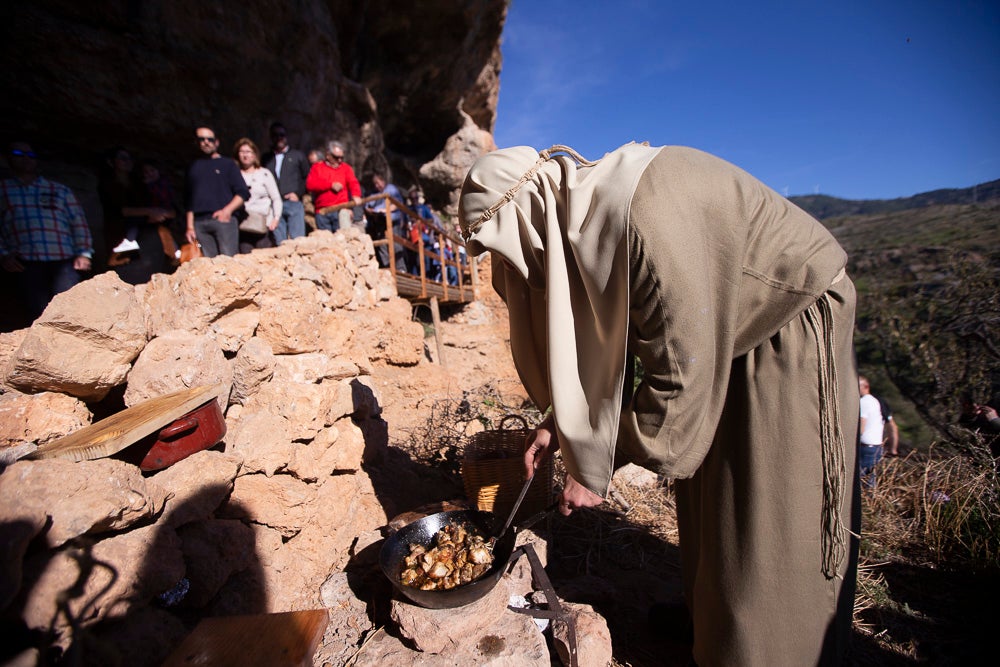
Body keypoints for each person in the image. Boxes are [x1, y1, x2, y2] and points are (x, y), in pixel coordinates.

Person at [459, 143, 859, 666]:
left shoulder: (644, 217)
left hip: (788, 321)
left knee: (770, 508)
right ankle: (713, 620)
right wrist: (561, 427)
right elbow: (615, 345)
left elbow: (678, 382)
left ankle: (768, 650)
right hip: (720, 335)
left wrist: (598, 464)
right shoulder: (589, 218)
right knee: (712, 497)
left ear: (530, 215)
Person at [1, 141, 93, 320]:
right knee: (38, 313)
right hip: (25, 261)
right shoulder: (3, 190)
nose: (26, 159)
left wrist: (84, 253)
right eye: (19, 154)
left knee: (71, 310)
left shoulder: (58, 190)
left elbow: (78, 222)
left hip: (64, 259)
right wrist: (3, 254)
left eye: (31, 155)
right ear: (8, 158)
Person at [184, 127, 250, 258]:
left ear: (217, 142)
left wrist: (227, 211)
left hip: (224, 222)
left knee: (228, 262)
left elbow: (243, 193)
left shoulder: (228, 164)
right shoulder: (193, 167)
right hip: (200, 224)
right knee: (207, 263)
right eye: (202, 139)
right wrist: (190, 227)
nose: (206, 142)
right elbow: (189, 199)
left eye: (210, 139)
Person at [261, 122, 310, 244]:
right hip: (273, 205)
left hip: (292, 202)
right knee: (279, 242)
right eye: (275, 135)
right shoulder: (266, 158)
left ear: (286, 136)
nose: (279, 138)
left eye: (281, 135)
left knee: (298, 240)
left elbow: (307, 177)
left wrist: (298, 194)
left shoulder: (297, 156)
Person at [233, 138, 282, 254]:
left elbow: (276, 198)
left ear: (255, 154)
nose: (245, 155)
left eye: (248, 151)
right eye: (242, 152)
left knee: (264, 258)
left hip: (263, 224)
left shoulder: (264, 174)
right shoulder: (234, 174)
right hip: (242, 224)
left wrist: (276, 218)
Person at [305, 141, 361, 233]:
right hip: (322, 211)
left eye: (341, 157)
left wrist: (356, 195)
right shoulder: (317, 167)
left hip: (340, 209)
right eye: (336, 157)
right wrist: (330, 185)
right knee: (326, 243)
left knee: (343, 238)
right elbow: (310, 185)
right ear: (328, 155)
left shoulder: (346, 168)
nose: (339, 160)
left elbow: (353, 183)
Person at [365, 172, 406, 271]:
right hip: (380, 222)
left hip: (392, 221)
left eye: (378, 183)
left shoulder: (391, 189)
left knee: (396, 245)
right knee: (382, 246)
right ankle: (388, 268)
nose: (377, 186)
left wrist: (386, 210)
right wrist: (372, 212)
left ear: (383, 181)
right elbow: (367, 206)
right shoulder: (374, 194)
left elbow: (397, 203)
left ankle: (401, 269)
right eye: (375, 184)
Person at [858, 375, 885, 487]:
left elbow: (862, 424)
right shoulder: (874, 401)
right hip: (876, 447)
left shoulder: (864, 402)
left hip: (866, 448)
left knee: (862, 481)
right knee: (870, 482)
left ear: (866, 386)